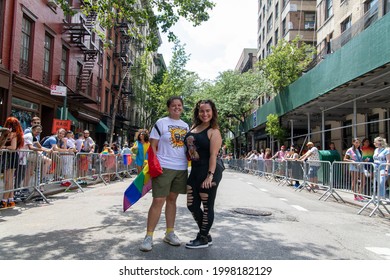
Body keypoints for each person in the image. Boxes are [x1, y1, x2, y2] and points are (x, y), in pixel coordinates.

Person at [139, 96, 189, 252]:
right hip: (163, 167)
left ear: (182, 107)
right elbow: (152, 146)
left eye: (179, 105)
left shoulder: (186, 126)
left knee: (172, 200)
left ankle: (169, 232)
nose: (176, 107)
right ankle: (148, 236)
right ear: (169, 108)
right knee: (158, 200)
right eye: (173, 105)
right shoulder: (161, 123)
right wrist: (155, 165)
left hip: (180, 167)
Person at [184, 99, 223, 249]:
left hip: (209, 171)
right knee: (191, 205)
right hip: (195, 170)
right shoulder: (194, 127)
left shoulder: (214, 131)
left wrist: (210, 176)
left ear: (212, 112)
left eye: (208, 111)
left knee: (207, 207)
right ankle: (205, 234)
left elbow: (213, 155)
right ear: (197, 112)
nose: (205, 114)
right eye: (202, 111)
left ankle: (202, 237)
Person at [0, 117, 24, 209]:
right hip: (11, 157)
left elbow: (13, 147)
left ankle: (4, 201)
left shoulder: (13, 134)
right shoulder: (15, 134)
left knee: (8, 180)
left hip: (10, 157)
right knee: (9, 180)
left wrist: (3, 148)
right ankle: (10, 200)